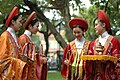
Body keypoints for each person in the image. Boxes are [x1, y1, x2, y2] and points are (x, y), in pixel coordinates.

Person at [84, 10, 120, 80]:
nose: (95, 27)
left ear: (103, 25)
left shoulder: (114, 41)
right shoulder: (93, 43)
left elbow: (117, 60)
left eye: (96, 24)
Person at [0, 6, 28, 80]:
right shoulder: (5, 36)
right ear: (13, 22)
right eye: (20, 21)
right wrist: (19, 62)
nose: (21, 24)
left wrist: (23, 57)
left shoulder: (15, 37)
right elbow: (2, 59)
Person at [19, 11, 48, 80]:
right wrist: (40, 59)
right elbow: (24, 57)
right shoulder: (23, 39)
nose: (38, 29)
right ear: (30, 26)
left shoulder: (28, 39)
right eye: (37, 26)